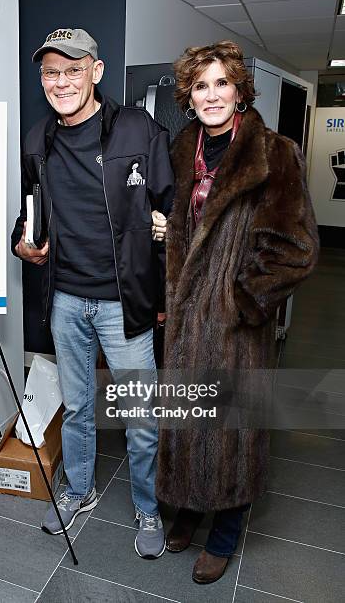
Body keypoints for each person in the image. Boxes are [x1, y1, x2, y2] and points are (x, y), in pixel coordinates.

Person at [156, 41, 319, 584]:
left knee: (230, 431)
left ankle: (224, 532)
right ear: (189, 95)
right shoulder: (182, 149)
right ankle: (188, 507)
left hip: (234, 327)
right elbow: (186, 231)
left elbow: (296, 250)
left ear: (240, 89)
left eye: (221, 83)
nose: (211, 95)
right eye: (201, 85)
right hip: (184, 321)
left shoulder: (275, 153)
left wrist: (242, 301)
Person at [11, 28, 174, 559]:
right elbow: (29, 213)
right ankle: (79, 491)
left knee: (140, 414)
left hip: (123, 302)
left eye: (73, 69)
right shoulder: (37, 139)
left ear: (96, 72)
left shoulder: (138, 130)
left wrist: (164, 256)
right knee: (79, 407)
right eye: (51, 72)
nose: (62, 81)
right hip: (64, 298)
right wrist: (21, 243)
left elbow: (172, 209)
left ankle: (148, 507)